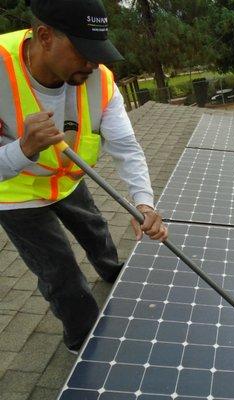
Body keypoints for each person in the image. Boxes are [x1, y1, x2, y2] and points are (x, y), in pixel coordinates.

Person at [0, 0, 168, 353]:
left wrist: (144, 203)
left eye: (99, 52)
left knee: (94, 228)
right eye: (83, 52)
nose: (93, 63)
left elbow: (126, 146)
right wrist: (23, 149)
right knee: (60, 273)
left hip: (68, 179)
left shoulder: (100, 80)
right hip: (15, 193)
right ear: (45, 36)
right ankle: (86, 346)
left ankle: (111, 271)